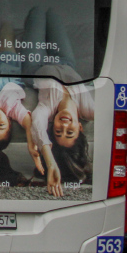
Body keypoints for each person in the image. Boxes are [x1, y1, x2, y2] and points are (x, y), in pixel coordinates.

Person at [29, 64, 95, 198]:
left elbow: (37, 124)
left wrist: (51, 163)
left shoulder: (47, 108)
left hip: (38, 62)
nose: (64, 126)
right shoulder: (89, 110)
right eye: (70, 133)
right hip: (68, 62)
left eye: (58, 132)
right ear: (80, 127)